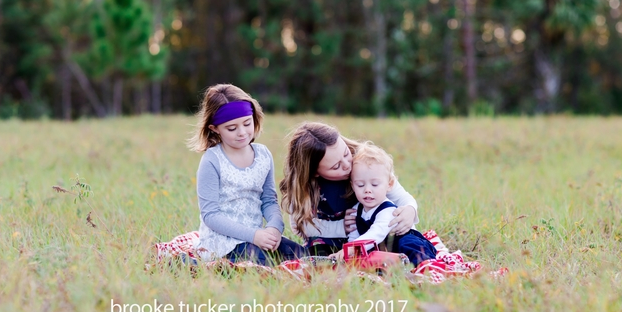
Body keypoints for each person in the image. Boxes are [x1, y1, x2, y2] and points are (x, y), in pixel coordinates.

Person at [187, 84, 305, 266]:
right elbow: (211, 215)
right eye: (231, 128)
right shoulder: (212, 160)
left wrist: (274, 227)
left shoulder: (263, 155)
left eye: (247, 123)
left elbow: (269, 200)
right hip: (224, 239)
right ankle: (191, 264)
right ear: (215, 128)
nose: (242, 133)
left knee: (303, 258)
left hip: (259, 235)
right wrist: (254, 236)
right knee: (261, 265)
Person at [280, 122, 419, 256]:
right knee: (319, 259)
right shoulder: (304, 186)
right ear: (314, 172)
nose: (347, 165)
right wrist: (341, 228)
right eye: (336, 167)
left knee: (399, 247)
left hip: (371, 234)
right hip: (329, 239)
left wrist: (410, 209)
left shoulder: (366, 163)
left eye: (346, 154)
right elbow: (300, 226)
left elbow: (401, 198)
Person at [329, 142, 437, 266]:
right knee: (371, 256)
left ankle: (427, 266)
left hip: (408, 242)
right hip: (388, 249)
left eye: (374, 184)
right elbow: (354, 236)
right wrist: (348, 253)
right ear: (352, 185)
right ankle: (401, 268)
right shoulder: (356, 209)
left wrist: (351, 248)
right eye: (360, 185)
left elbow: (376, 234)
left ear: (389, 184)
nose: (367, 190)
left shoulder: (387, 210)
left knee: (408, 244)